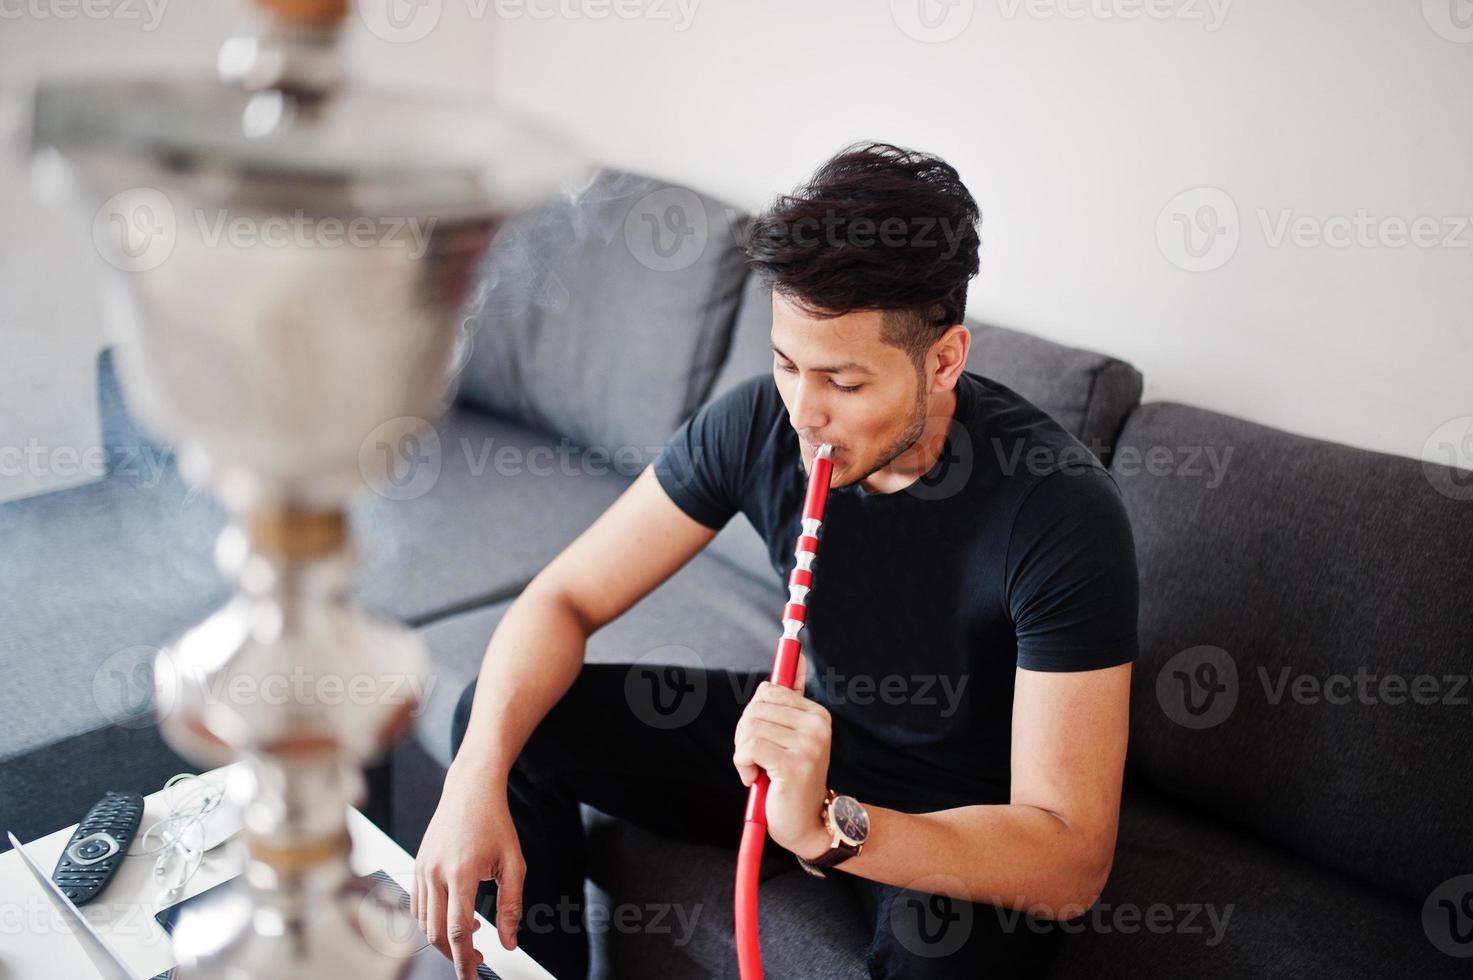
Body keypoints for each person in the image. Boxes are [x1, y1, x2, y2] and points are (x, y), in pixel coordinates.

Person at [413, 142, 1138, 980]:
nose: (805, 413)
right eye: (787, 364)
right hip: (805, 739)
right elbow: (564, 600)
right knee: (504, 727)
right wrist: (472, 782)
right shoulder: (759, 421)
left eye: (844, 382)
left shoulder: (1060, 513)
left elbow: (1071, 861)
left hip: (963, 812)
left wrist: (827, 825)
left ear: (943, 361)